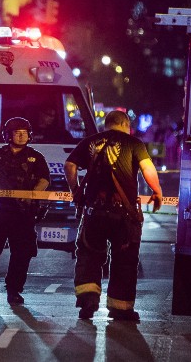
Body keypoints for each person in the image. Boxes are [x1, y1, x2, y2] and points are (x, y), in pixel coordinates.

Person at [64, 110, 164, 321]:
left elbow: (69, 165)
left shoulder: (90, 142)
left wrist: (75, 191)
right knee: (125, 261)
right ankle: (120, 308)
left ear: (106, 125)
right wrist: (157, 191)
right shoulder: (134, 143)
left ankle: (88, 300)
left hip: (95, 212)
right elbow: (148, 169)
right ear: (125, 124)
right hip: (123, 215)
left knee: (89, 255)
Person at [0, 117, 50, 305]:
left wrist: (32, 194)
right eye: (17, 132)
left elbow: (44, 179)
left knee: (22, 254)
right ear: (8, 135)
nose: (22, 136)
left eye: (25, 132)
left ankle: (14, 291)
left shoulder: (36, 157)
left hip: (22, 214)